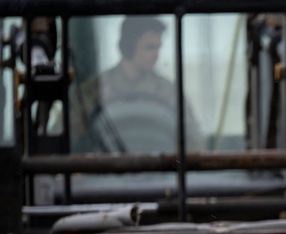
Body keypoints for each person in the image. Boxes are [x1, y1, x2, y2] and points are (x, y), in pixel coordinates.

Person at [70, 15, 203, 152]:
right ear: (129, 45)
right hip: (108, 170)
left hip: (159, 169)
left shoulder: (167, 91)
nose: (157, 54)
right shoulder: (95, 90)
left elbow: (192, 137)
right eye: (150, 48)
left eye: (158, 47)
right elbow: (66, 131)